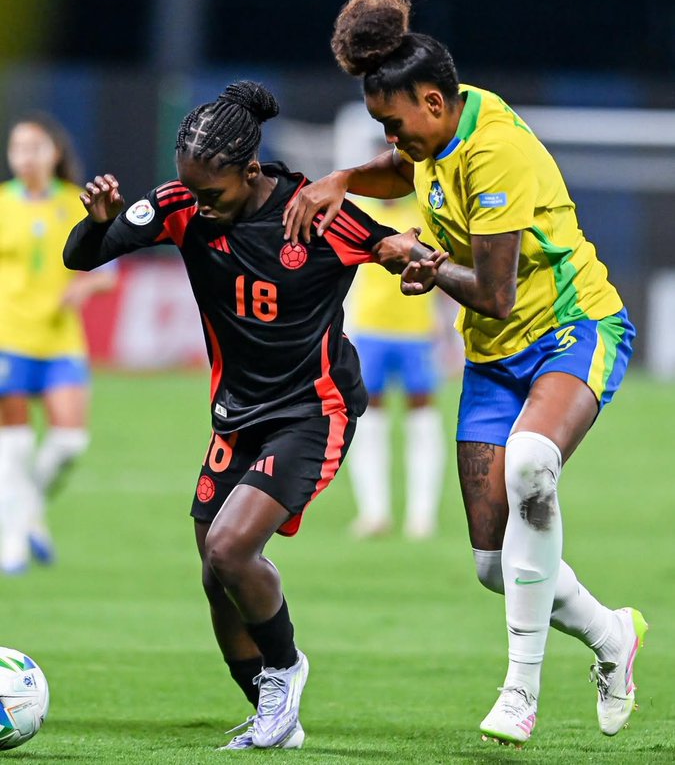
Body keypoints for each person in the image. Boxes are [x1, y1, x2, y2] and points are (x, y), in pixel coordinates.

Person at [283, 0, 648, 747]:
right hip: (493, 354)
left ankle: (520, 690)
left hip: (571, 328)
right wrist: (342, 179)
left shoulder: (495, 152)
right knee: (493, 564)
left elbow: (493, 291)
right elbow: (402, 169)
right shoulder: (439, 129)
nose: (392, 139)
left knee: (532, 464)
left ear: (432, 101)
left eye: (394, 124)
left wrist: (413, 258)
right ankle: (611, 635)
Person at [62, 80, 403, 751]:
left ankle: (286, 670)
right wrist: (99, 221)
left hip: (313, 410)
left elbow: (394, 249)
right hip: (236, 418)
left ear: (250, 171)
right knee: (216, 575)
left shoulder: (313, 213)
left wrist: (417, 260)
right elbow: (82, 256)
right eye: (190, 189)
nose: (199, 203)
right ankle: (273, 713)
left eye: (211, 192)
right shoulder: (180, 204)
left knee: (230, 548)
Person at [0, 113, 117, 574]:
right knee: (15, 444)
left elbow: (108, 271)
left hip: (61, 339)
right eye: (17, 148)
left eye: (35, 147)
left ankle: (28, 512)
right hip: (9, 337)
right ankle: (11, 542)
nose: (25, 157)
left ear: (55, 153)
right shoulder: (2, 203)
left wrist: (84, 286)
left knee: (69, 442)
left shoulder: (76, 202)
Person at [347, 193, 446, 539]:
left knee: (422, 417)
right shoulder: (361, 212)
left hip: (417, 330)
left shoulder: (424, 213)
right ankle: (374, 512)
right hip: (370, 329)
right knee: (368, 417)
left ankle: (422, 515)